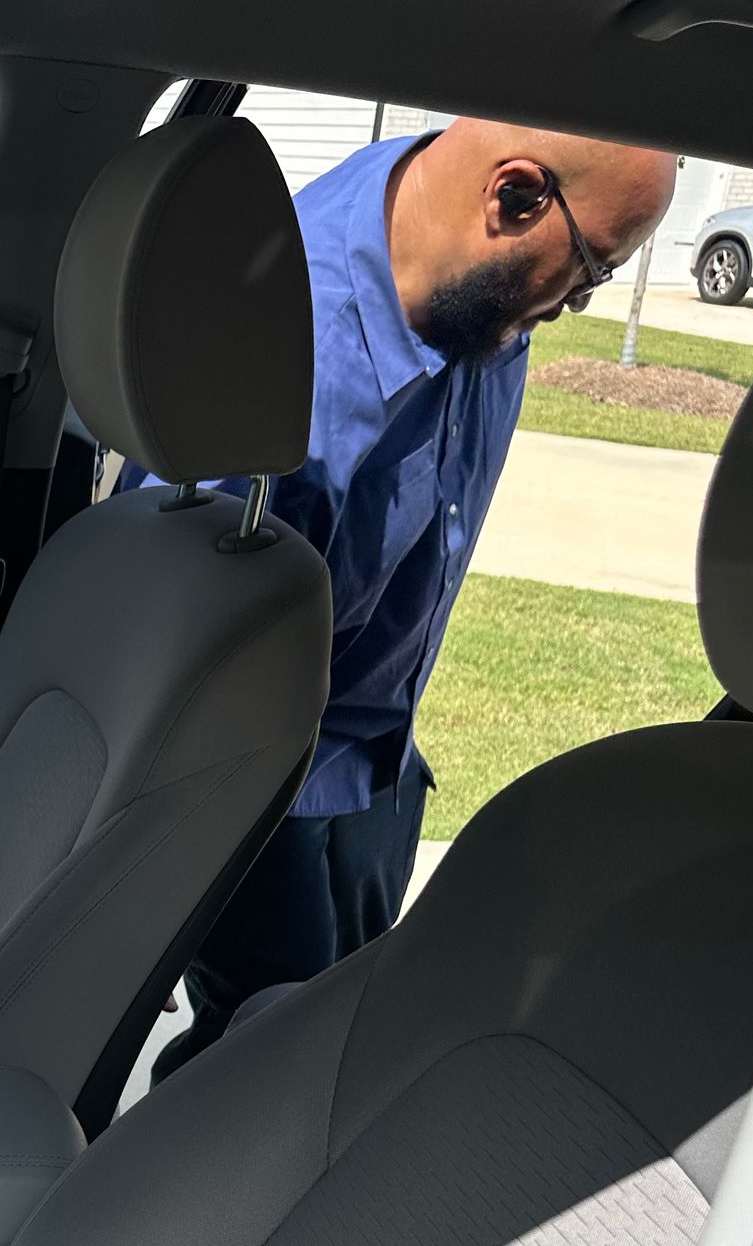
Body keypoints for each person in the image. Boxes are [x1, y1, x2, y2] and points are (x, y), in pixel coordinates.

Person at [139, 119, 677, 1083]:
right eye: (591, 271)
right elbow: (170, 679)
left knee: (351, 1030)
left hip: (380, 762)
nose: (572, 307)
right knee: (268, 1076)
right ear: (514, 196)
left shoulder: (486, 295)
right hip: (257, 793)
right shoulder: (274, 352)